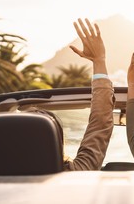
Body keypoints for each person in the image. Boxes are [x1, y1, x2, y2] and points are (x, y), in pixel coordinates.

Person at [29, 18, 114, 171]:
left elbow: (100, 124)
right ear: (56, 143)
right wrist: (99, 61)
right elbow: (100, 122)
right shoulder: (73, 174)